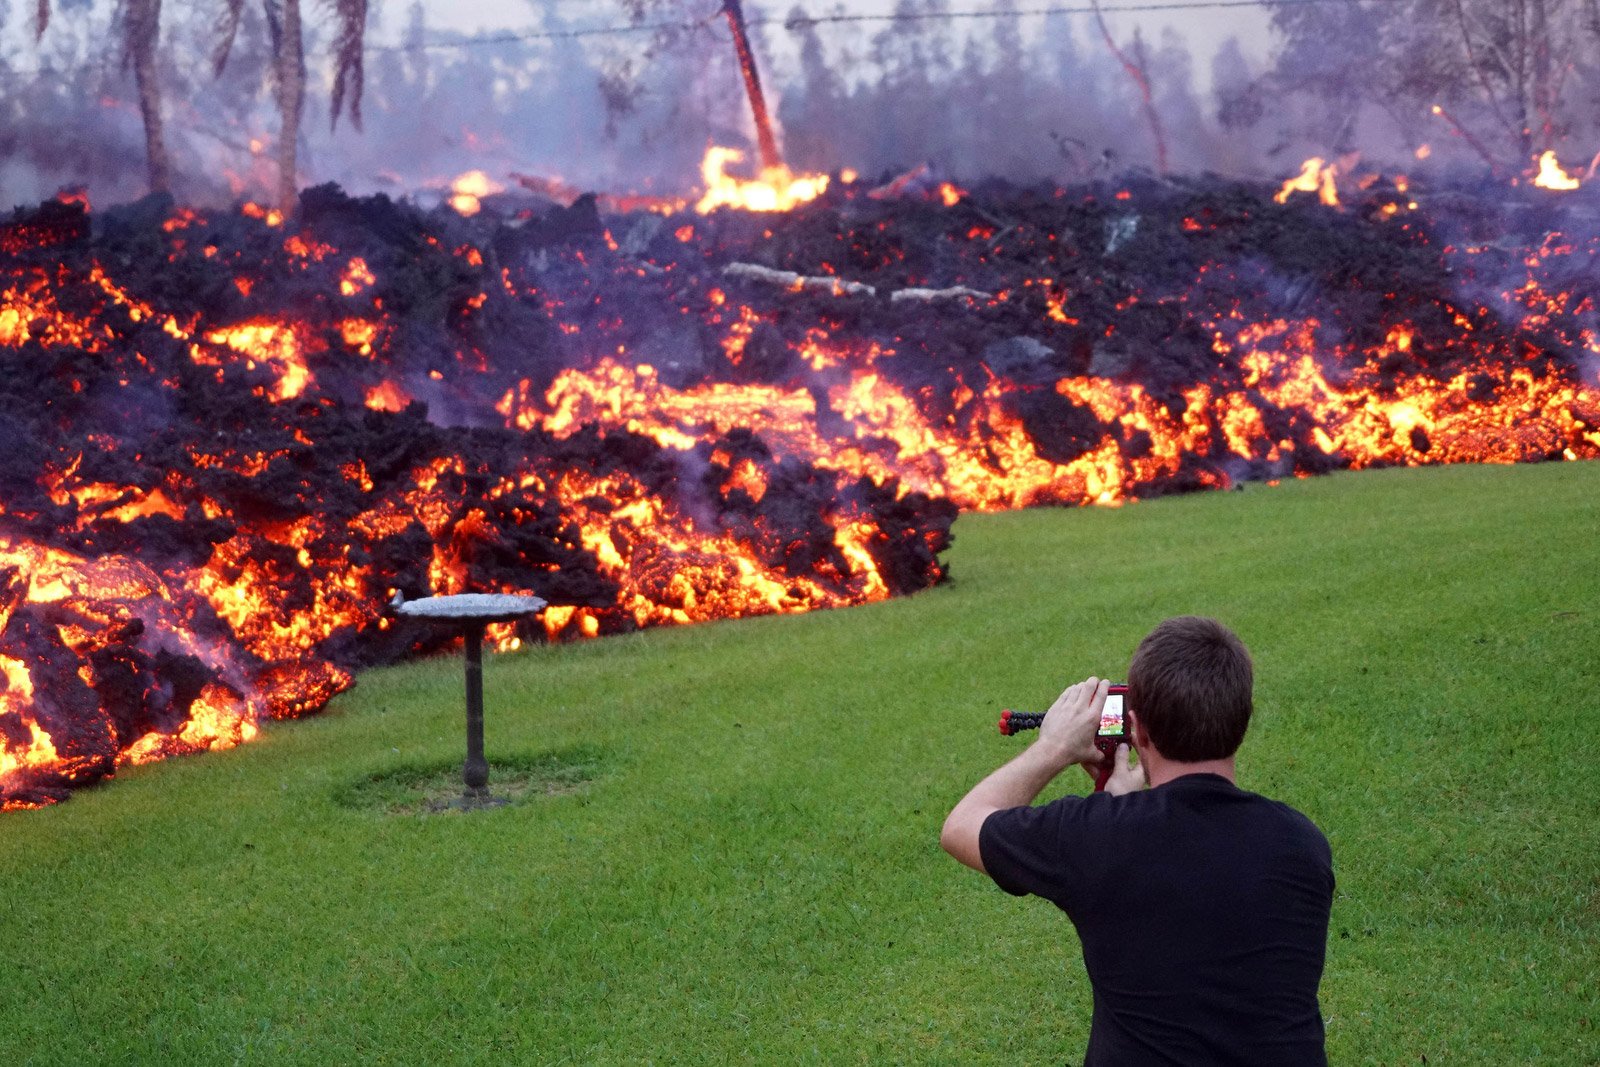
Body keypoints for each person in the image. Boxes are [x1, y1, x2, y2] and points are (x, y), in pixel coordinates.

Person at [940, 616, 1333, 1065]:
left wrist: (1055, 749)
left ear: (1138, 730)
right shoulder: (1302, 843)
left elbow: (961, 826)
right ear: (1242, 722)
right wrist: (1121, 810)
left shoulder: (1097, 838)